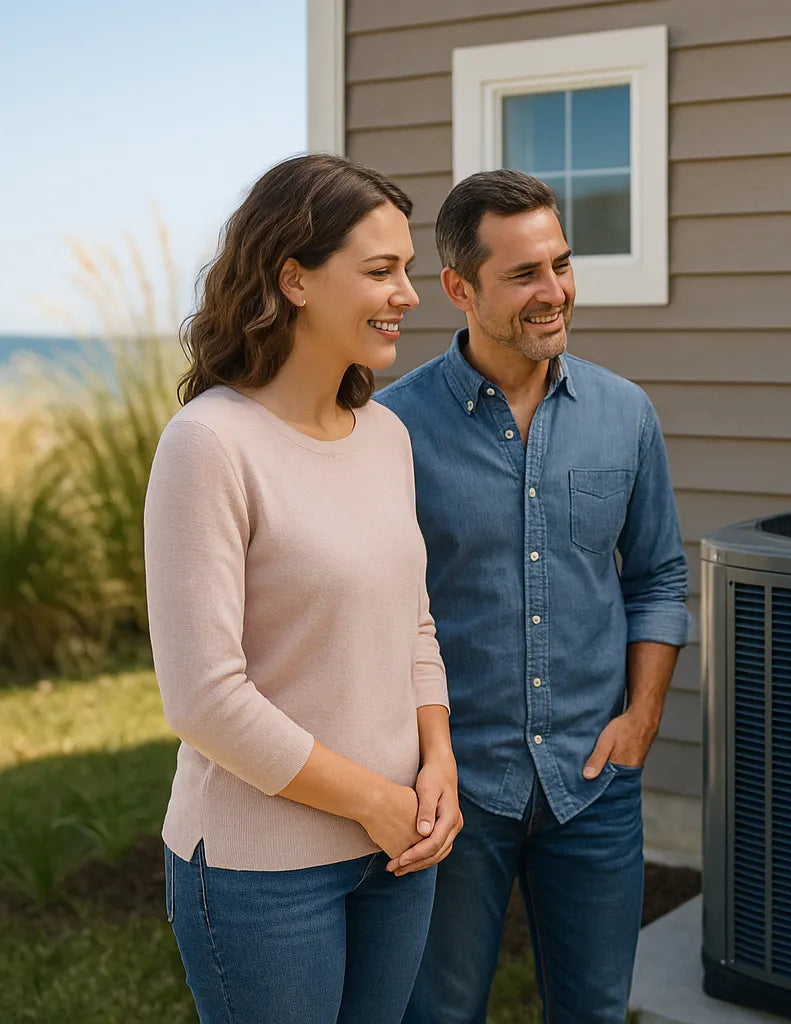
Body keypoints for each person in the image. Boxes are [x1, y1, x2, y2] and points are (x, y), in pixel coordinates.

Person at [144, 153, 463, 1024]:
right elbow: (205, 699)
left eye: (406, 268)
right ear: (294, 278)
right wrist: (379, 801)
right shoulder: (209, 445)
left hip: (399, 851)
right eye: (379, 271)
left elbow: (414, 627)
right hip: (263, 876)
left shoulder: (385, 435)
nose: (408, 293)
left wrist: (438, 764)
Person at [378, 169, 690, 1024]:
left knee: (592, 1010)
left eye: (560, 263)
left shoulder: (625, 415)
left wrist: (644, 716)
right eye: (523, 274)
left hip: (593, 780)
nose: (554, 292)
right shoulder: (389, 430)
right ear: (457, 289)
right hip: (451, 789)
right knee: (437, 1014)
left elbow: (659, 574)